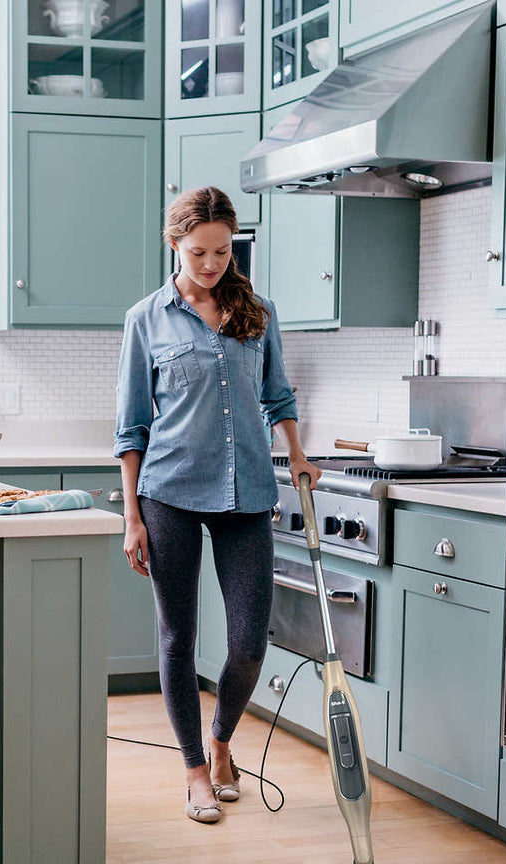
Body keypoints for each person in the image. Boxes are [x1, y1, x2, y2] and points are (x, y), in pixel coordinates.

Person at [113, 185, 321, 824]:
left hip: (248, 495)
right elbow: (131, 427)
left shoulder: (257, 312)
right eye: (198, 252)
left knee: (250, 641)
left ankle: (223, 740)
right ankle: (195, 772)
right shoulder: (145, 319)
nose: (210, 265)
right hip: (169, 493)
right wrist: (131, 517)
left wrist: (298, 453)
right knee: (179, 638)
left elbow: (278, 395)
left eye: (222, 252)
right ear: (175, 245)